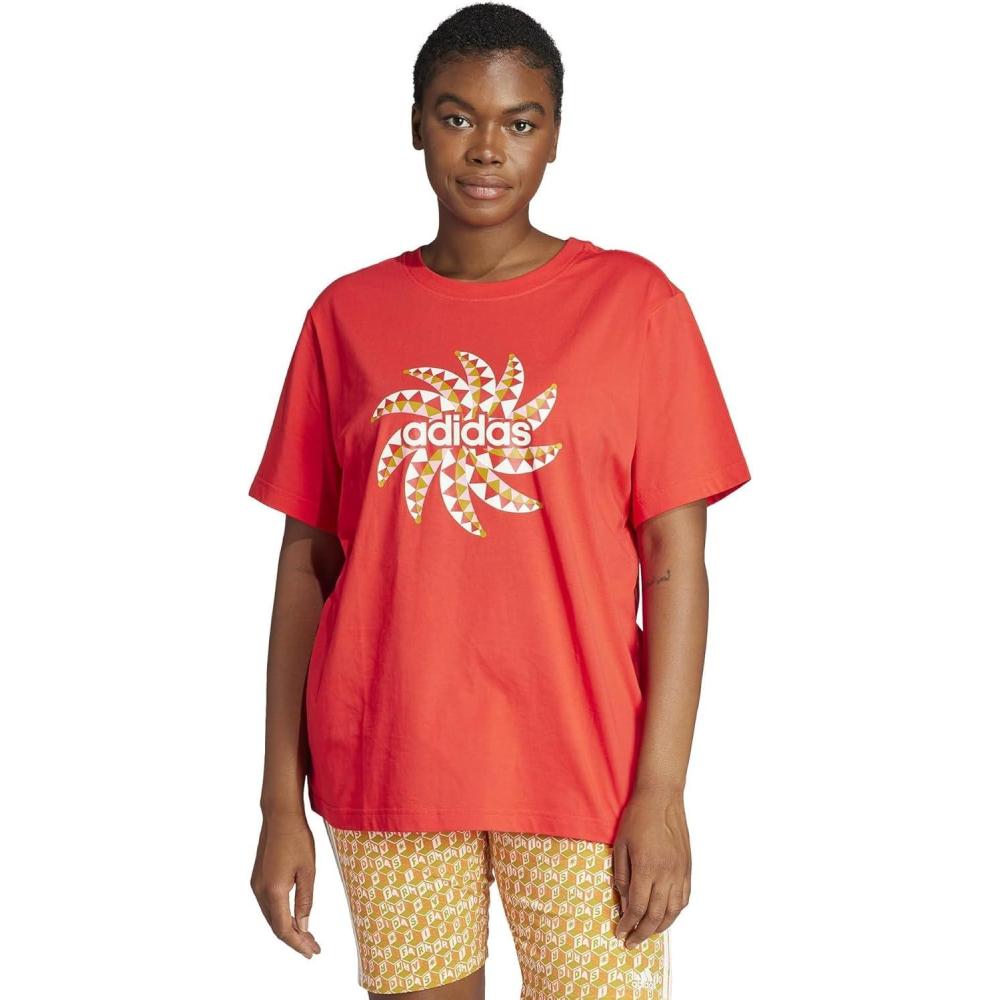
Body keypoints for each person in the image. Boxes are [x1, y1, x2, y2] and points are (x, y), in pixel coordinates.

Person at [247, 4, 750, 997]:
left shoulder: (636, 306)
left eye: (520, 122)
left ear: (555, 134)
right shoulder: (346, 316)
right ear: (415, 125)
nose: (487, 149)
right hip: (389, 761)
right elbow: (307, 565)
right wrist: (276, 802)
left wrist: (662, 790)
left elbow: (675, 565)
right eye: (456, 116)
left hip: (585, 768)